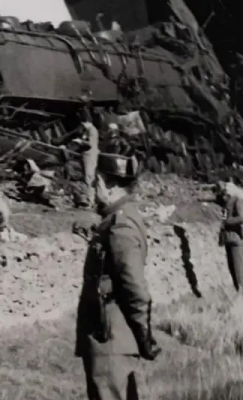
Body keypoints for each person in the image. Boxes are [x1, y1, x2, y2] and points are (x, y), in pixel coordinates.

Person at [75, 158, 160, 400]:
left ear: (108, 185)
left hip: (109, 337)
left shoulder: (120, 225)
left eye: (96, 184)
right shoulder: (118, 219)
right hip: (109, 335)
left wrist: (144, 335)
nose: (94, 190)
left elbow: (135, 288)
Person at [216, 181, 243, 293]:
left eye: (225, 193)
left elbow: (241, 218)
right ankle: (238, 292)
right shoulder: (229, 201)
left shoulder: (238, 200)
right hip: (229, 238)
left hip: (237, 239)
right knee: (232, 269)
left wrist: (227, 222)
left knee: (239, 270)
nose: (223, 196)